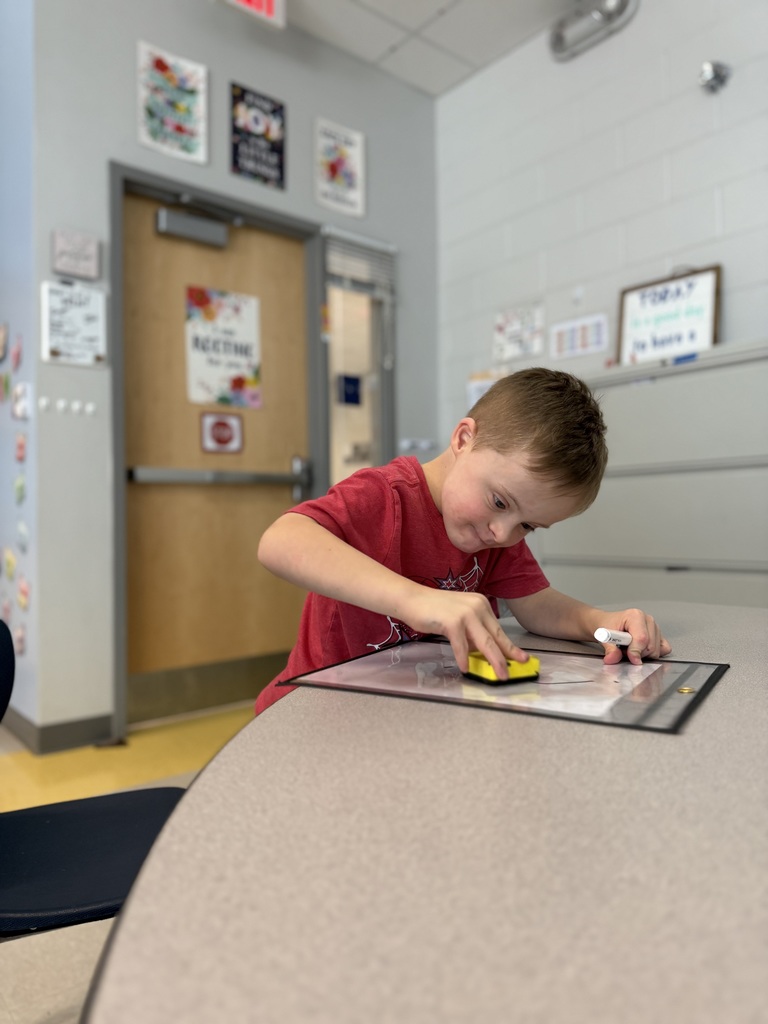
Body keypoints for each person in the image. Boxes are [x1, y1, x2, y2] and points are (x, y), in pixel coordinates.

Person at [255, 367, 671, 715]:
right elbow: (280, 540)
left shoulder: (493, 535)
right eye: (498, 501)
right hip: (314, 708)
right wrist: (416, 601)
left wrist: (599, 623)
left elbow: (536, 605)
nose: (503, 534)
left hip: (405, 715)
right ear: (463, 440)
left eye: (529, 526)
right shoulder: (385, 495)